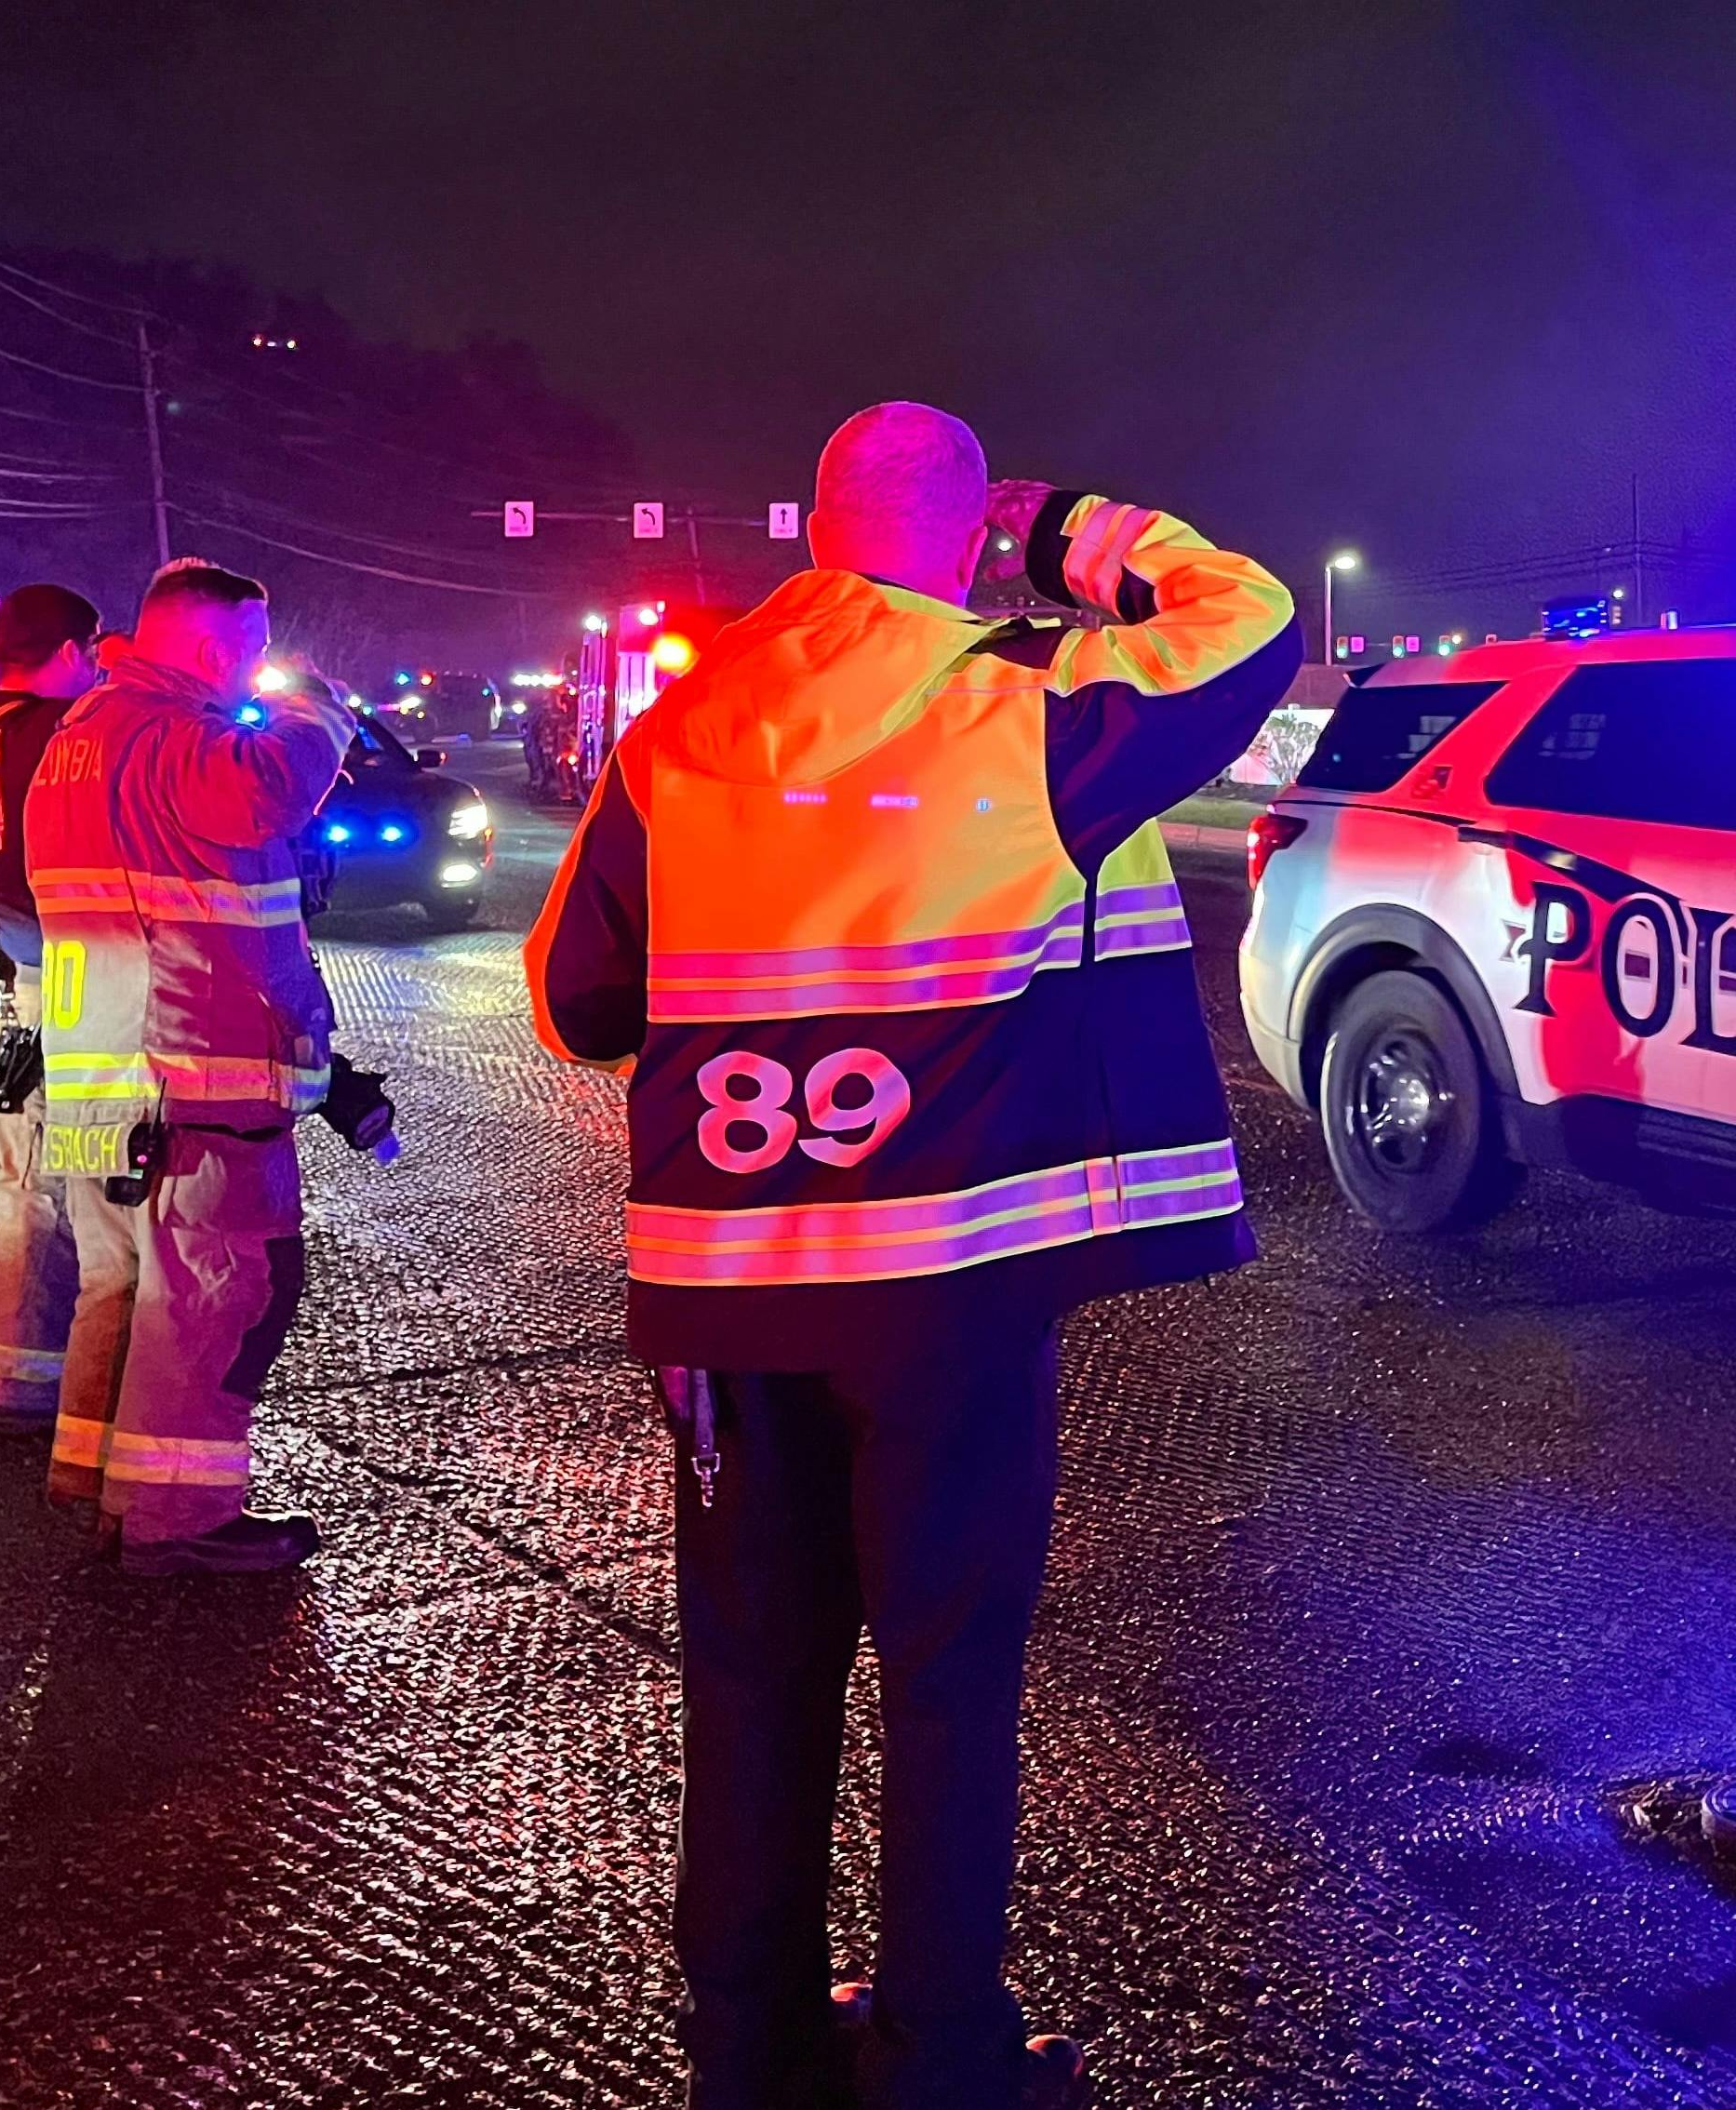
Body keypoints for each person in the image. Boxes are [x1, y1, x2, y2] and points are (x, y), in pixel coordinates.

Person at [524, 405, 1297, 2110]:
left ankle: (750, 2043)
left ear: (807, 523)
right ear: (963, 540)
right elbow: (1247, 617)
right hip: (946, 1287)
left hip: (730, 1303)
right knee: (947, 1669)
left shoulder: (681, 726)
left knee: (749, 1669)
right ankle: (939, 2048)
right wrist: (1085, 528)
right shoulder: (1016, 706)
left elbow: (575, 1000)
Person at [29, 560, 344, 1577]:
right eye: (253, 649)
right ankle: (178, 1516)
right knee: (217, 1288)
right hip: (191, 1070)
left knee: (121, 1280)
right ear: (216, 650)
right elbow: (267, 794)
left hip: (98, 1065)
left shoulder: (79, 737)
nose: (256, 669)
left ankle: (99, 1476)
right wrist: (317, 710)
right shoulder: (170, 737)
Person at [0, 584, 101, 1431]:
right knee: (40, 1192)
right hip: (30, 984)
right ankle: (24, 1382)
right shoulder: (55, 732)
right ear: (71, 651)